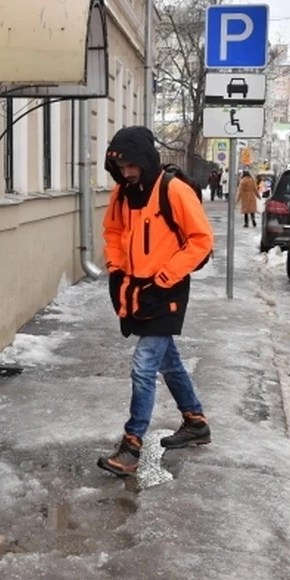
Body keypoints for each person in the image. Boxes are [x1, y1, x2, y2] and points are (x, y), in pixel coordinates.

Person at [98, 126, 215, 478]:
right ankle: (195, 422)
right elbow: (113, 232)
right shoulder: (122, 193)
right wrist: (116, 267)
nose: (126, 172)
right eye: (120, 167)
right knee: (168, 362)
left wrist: (165, 276)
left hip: (167, 291)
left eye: (131, 166)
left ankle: (132, 445)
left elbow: (201, 240)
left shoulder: (174, 191)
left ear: (146, 161)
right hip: (136, 290)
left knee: (144, 366)